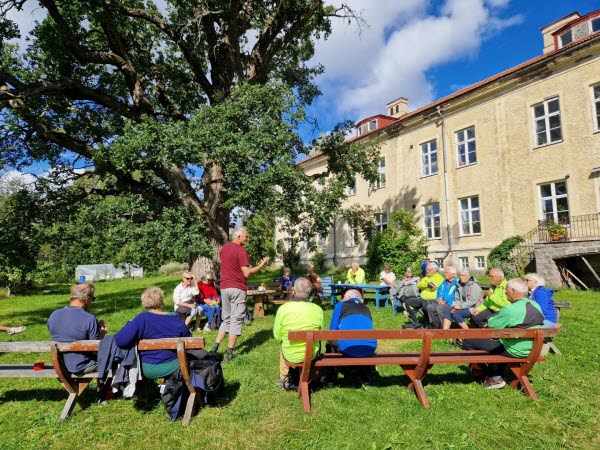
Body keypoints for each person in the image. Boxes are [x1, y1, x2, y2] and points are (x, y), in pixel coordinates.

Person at [462, 278, 544, 389]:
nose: (505, 293)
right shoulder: (536, 306)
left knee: (468, 341)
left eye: (506, 290)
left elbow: (492, 325)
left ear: (513, 291)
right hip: (531, 349)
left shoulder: (511, 309)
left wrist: (490, 321)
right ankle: (495, 374)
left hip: (513, 349)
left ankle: (490, 374)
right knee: (494, 343)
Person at [211, 226, 270, 362]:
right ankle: (229, 354)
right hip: (237, 288)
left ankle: (214, 348)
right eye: (246, 236)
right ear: (238, 236)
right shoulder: (241, 251)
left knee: (226, 319)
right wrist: (262, 265)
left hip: (224, 288)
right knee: (236, 320)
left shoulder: (224, 248)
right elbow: (246, 273)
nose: (247, 239)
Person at [115, 287, 191, 379]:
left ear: (144, 304)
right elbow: (189, 341)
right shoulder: (175, 318)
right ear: (162, 302)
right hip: (173, 365)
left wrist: (129, 324)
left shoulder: (142, 318)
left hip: (147, 367)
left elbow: (121, 341)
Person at [273, 277, 324, 389]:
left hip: (290, 354)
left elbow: (277, 336)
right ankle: (310, 375)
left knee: (282, 342)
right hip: (311, 354)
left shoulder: (283, 309)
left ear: (293, 291)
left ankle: (283, 377)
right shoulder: (318, 309)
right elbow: (320, 332)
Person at [47, 283, 107, 375]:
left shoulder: (54, 315)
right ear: (87, 298)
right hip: (83, 366)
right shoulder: (90, 319)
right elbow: (96, 350)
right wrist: (102, 334)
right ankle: (107, 385)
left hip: (61, 366)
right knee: (115, 361)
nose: (92, 301)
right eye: (93, 298)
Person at [328, 289, 377, 384]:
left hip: (348, 348)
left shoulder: (340, 305)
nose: (342, 300)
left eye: (343, 298)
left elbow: (332, 331)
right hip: (369, 348)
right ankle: (364, 375)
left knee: (329, 341)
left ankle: (330, 376)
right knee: (362, 340)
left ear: (348, 297)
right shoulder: (366, 308)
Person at [403, 263, 444, 329]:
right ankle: (416, 323)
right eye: (426, 269)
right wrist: (427, 284)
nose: (427, 271)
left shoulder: (440, 278)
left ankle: (430, 324)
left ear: (434, 270)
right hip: (422, 299)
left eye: (429, 270)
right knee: (408, 302)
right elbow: (419, 285)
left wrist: (426, 287)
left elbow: (434, 288)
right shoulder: (426, 277)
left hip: (432, 300)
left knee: (425, 305)